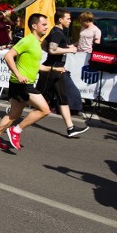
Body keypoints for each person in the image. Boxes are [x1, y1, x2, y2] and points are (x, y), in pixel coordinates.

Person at [0, 13, 53, 151]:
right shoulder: (27, 40)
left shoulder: (36, 43)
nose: (47, 27)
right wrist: (19, 74)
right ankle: (16, 130)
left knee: (14, 114)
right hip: (22, 83)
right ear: (34, 26)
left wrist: (53, 69)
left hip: (19, 83)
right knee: (45, 110)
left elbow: (36, 65)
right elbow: (8, 56)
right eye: (44, 24)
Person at [35, 9, 89, 137]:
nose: (70, 21)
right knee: (36, 96)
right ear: (60, 20)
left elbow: (44, 45)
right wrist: (69, 49)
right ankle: (14, 111)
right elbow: (52, 50)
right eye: (68, 18)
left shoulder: (57, 32)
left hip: (58, 70)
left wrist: (67, 48)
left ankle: (70, 128)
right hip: (51, 70)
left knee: (62, 98)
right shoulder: (57, 33)